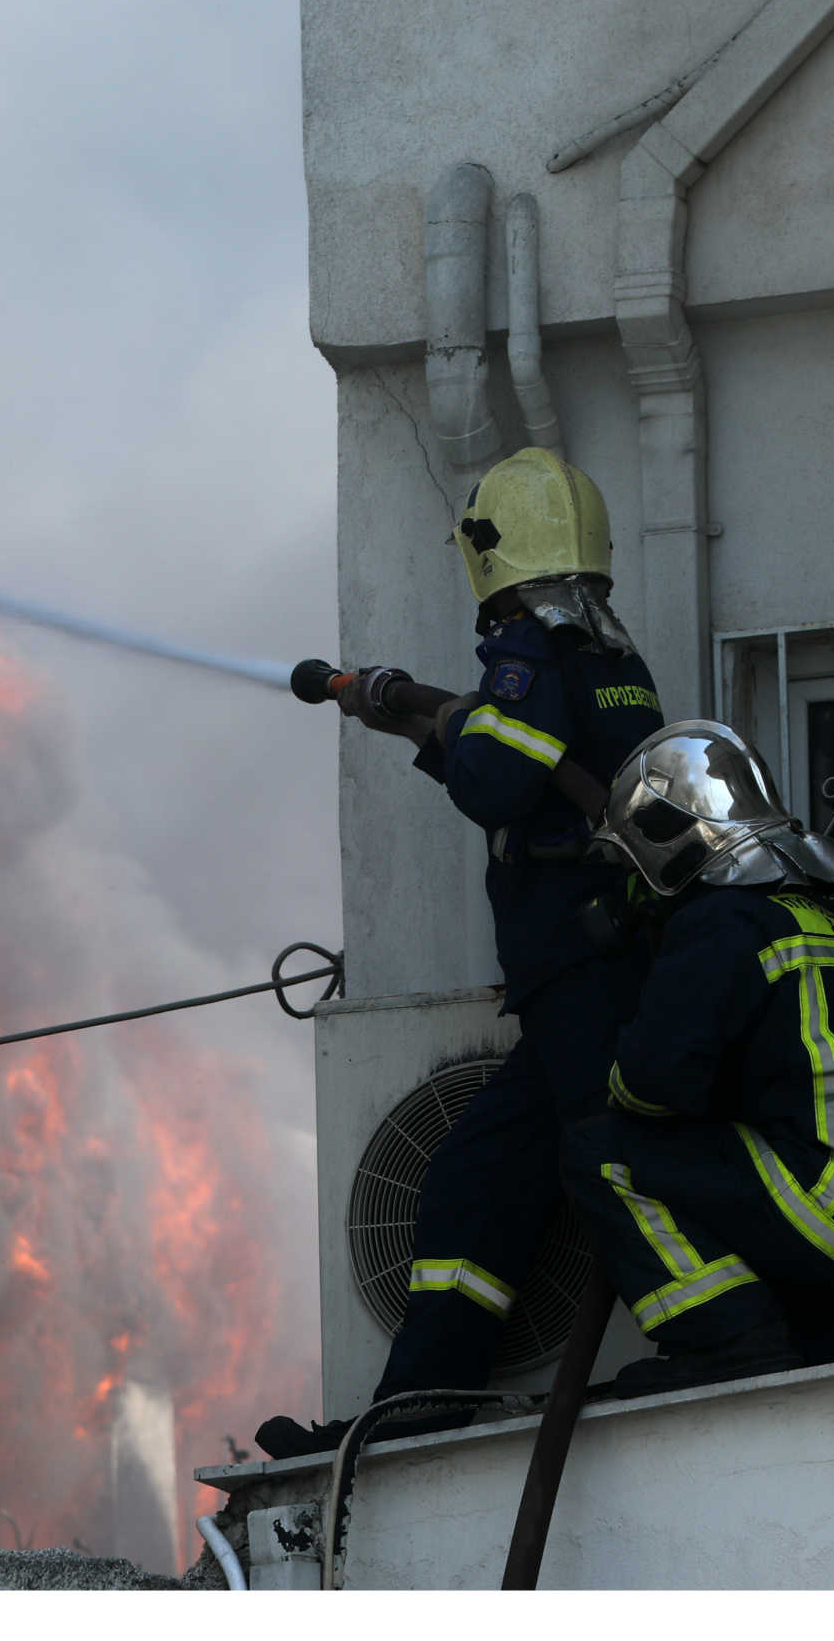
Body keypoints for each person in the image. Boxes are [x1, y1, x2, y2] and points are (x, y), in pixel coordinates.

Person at [254, 446, 665, 1460]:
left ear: (490, 550)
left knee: (614, 1165)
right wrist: (402, 711)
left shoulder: (528, 647)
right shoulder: (612, 657)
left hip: (581, 972)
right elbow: (519, 760)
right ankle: (422, 1398)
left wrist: (442, 713)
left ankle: (722, 1333)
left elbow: (493, 776)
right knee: (477, 1177)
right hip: (591, 971)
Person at [564, 721, 834, 1394]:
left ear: (665, 845)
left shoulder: (722, 921)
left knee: (599, 1150)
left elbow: (648, 1086)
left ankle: (729, 1340)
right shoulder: (827, 919)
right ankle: (786, 1337)